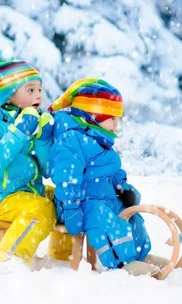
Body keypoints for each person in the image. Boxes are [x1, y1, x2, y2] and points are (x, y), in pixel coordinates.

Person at [48, 78, 169, 276]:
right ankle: (123, 263)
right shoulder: (71, 140)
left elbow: (112, 172)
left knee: (132, 216)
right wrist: (71, 209)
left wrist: (122, 188)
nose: (116, 124)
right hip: (79, 204)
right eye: (111, 117)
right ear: (92, 116)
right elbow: (67, 179)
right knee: (104, 220)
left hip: (105, 198)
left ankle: (140, 255)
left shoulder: (100, 139)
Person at [0, 49, 61, 266]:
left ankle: (61, 259)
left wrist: (44, 139)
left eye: (39, 89)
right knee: (42, 209)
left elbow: (48, 171)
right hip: (0, 197)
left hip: (29, 191)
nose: (38, 95)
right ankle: (9, 261)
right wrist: (19, 132)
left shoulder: (30, 118)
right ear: (8, 94)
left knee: (67, 198)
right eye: (30, 89)